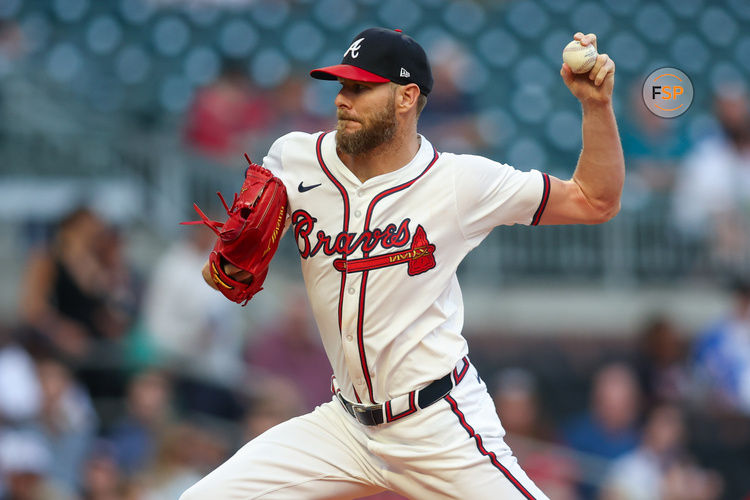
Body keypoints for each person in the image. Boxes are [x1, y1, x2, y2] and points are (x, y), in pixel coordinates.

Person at [181, 28, 623, 499]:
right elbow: (241, 254)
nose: (342, 101)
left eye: (360, 88)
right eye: (341, 87)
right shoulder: (295, 158)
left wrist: (596, 107)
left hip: (436, 424)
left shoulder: (458, 182)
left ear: (406, 96)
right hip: (343, 426)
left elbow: (594, 200)